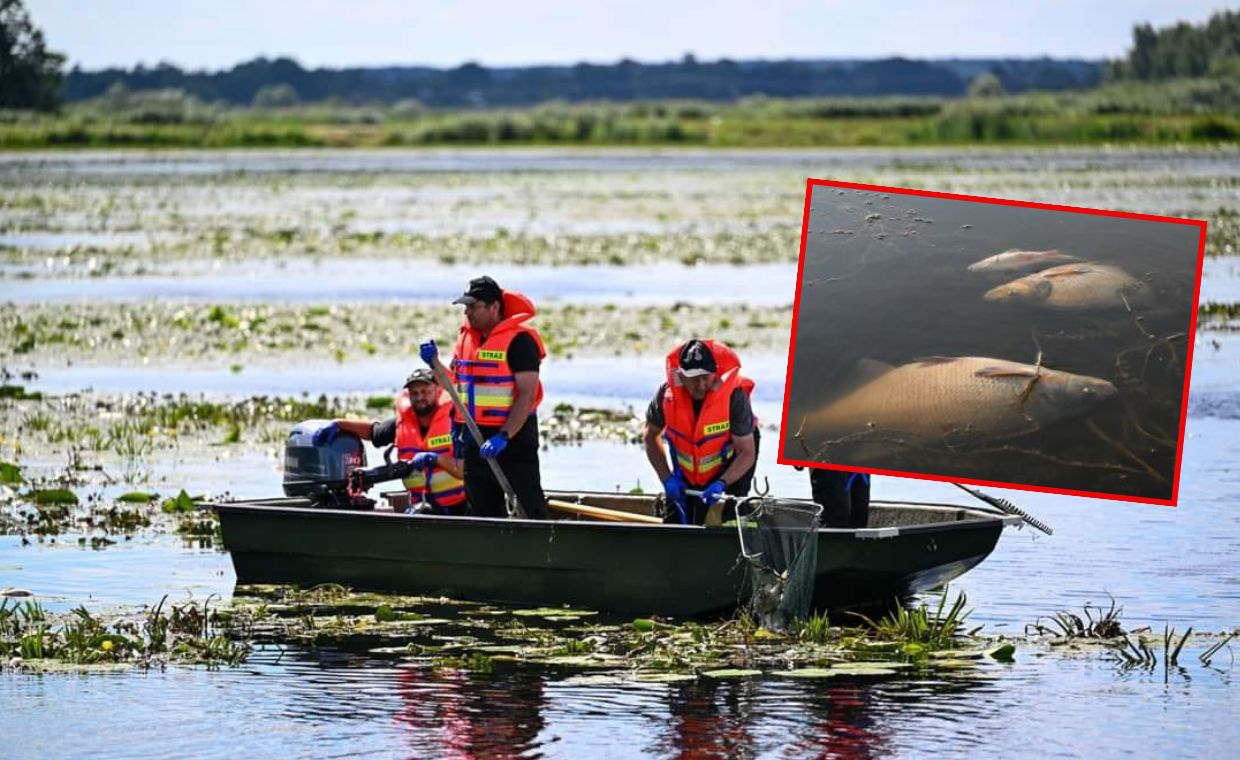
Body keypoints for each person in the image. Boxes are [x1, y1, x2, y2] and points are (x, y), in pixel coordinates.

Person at [419, 276, 549, 519]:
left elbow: (527, 395)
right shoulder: (466, 340)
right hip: (473, 435)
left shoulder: (520, 342)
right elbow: (453, 385)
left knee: (528, 505)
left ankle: (536, 549)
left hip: (513, 436)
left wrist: (504, 436)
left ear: (494, 307)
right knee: (482, 509)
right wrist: (433, 363)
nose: (467, 312)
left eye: (473, 306)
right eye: (465, 307)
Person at [314, 368, 467, 514]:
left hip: (459, 509)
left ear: (437, 391)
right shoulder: (402, 424)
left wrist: (436, 459)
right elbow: (373, 432)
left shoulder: (456, 423)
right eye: (414, 393)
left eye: (425, 391)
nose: (420, 397)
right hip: (421, 509)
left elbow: (468, 470)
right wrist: (339, 424)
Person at [643, 339, 759, 525]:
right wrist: (667, 479)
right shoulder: (665, 396)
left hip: (733, 462)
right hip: (686, 472)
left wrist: (723, 483)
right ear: (681, 376)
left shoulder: (734, 397)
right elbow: (650, 438)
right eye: (694, 378)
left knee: (732, 516)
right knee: (676, 520)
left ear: (715, 373)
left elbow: (747, 452)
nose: (701, 384)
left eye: (706, 377)